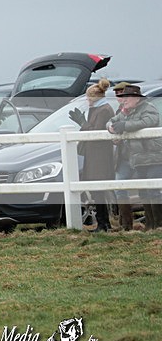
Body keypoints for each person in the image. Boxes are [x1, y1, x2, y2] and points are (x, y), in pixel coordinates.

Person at [107, 84, 162, 230]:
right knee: (143, 191)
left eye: (127, 97)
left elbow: (147, 122)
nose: (123, 101)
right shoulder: (126, 111)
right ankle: (150, 224)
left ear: (136, 98)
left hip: (153, 156)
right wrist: (111, 127)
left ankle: (158, 224)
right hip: (138, 158)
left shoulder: (148, 108)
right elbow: (111, 121)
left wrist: (124, 125)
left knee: (153, 190)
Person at [69, 78, 115, 232]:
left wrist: (82, 122)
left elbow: (95, 132)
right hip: (95, 155)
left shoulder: (103, 110)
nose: (87, 101)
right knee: (97, 191)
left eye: (89, 98)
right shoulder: (98, 109)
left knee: (99, 190)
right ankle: (103, 223)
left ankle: (104, 224)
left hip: (100, 156)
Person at [110, 82, 136, 230]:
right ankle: (126, 224)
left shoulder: (137, 109)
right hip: (123, 155)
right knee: (119, 187)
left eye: (122, 94)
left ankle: (154, 223)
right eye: (117, 94)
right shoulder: (118, 111)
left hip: (138, 154)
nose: (119, 97)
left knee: (148, 188)